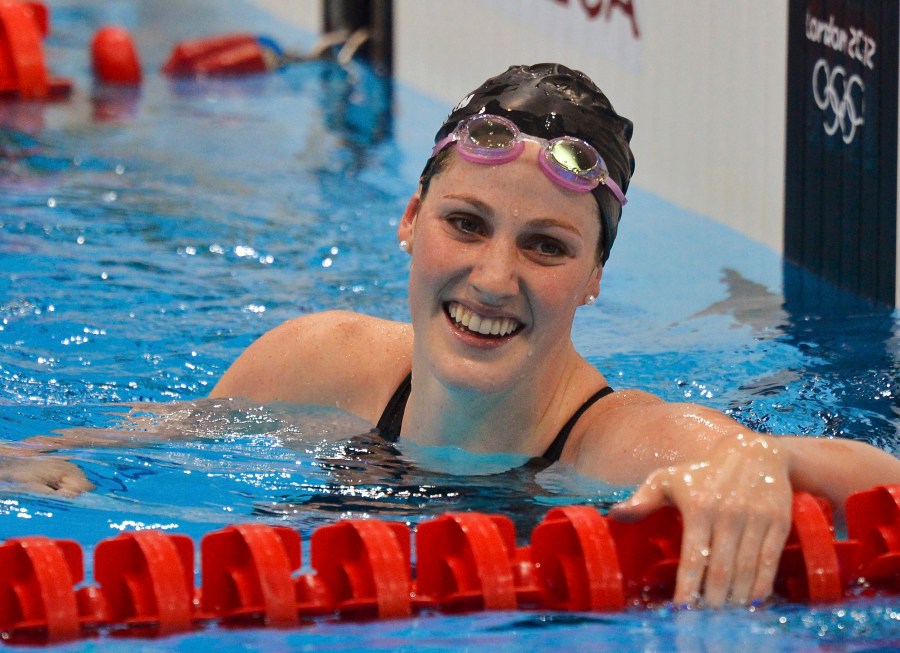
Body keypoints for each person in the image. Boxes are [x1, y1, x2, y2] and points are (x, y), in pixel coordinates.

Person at [5, 64, 900, 608]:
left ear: (593, 280)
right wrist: (46, 457)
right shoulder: (318, 362)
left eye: (546, 246)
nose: (494, 277)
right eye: (466, 224)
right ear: (408, 218)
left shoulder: (613, 439)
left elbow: (865, 486)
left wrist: (766, 460)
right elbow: (157, 431)